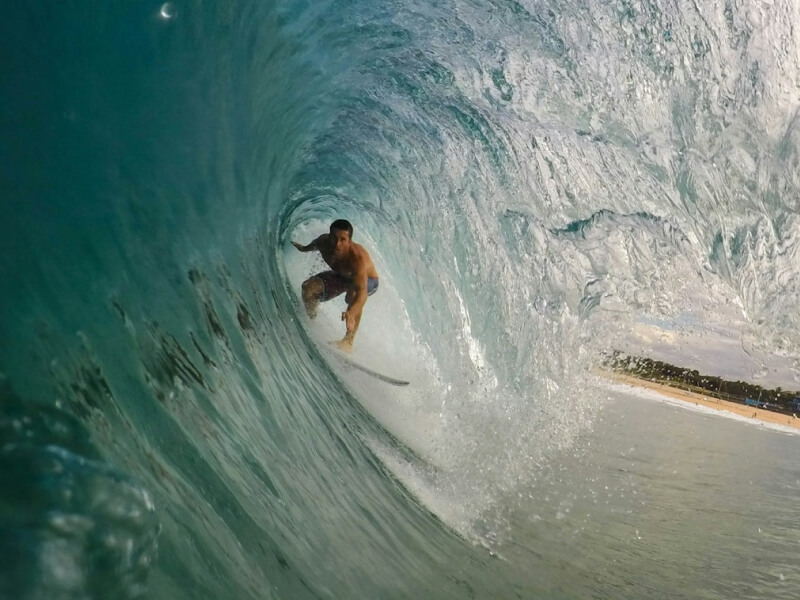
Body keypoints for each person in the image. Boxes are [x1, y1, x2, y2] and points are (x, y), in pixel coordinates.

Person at [292, 219, 379, 351]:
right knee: (308, 288)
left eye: (343, 240)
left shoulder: (357, 259)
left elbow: (362, 292)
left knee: (352, 296)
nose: (337, 244)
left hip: (369, 280)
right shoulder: (323, 242)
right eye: (334, 238)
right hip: (342, 276)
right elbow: (312, 246)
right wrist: (302, 248)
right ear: (329, 236)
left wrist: (351, 312)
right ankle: (312, 319)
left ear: (349, 241)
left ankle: (348, 341)